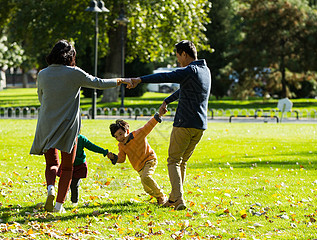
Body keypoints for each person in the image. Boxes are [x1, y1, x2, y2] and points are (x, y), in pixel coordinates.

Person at [30, 39, 126, 213]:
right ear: (71, 56)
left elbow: (40, 97)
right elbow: (98, 83)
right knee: (67, 167)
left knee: (52, 163)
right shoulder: (74, 73)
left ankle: (50, 188)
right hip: (68, 126)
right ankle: (59, 205)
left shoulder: (42, 74)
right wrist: (120, 81)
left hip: (46, 124)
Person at [124, 40, 211, 210]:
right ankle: (173, 198)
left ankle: (178, 199)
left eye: (178, 56)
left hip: (184, 124)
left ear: (184, 54)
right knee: (182, 161)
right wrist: (167, 100)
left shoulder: (190, 70)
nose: (178, 61)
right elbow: (184, 90)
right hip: (200, 126)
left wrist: (139, 79)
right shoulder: (205, 70)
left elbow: (165, 76)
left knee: (173, 161)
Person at [109, 108, 168, 205]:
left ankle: (161, 196)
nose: (119, 138)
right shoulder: (121, 145)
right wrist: (114, 158)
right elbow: (122, 159)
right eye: (116, 137)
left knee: (146, 177)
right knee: (147, 189)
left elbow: (149, 126)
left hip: (149, 159)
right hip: (139, 167)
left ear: (127, 130)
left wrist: (158, 116)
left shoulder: (138, 134)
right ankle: (160, 197)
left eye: (120, 134)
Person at [57, 133, 117, 206]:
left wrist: (104, 151)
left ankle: (74, 201)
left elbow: (92, 146)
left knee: (73, 184)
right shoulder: (65, 137)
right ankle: (65, 195)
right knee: (71, 183)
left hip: (77, 165)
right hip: (70, 164)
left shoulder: (80, 138)